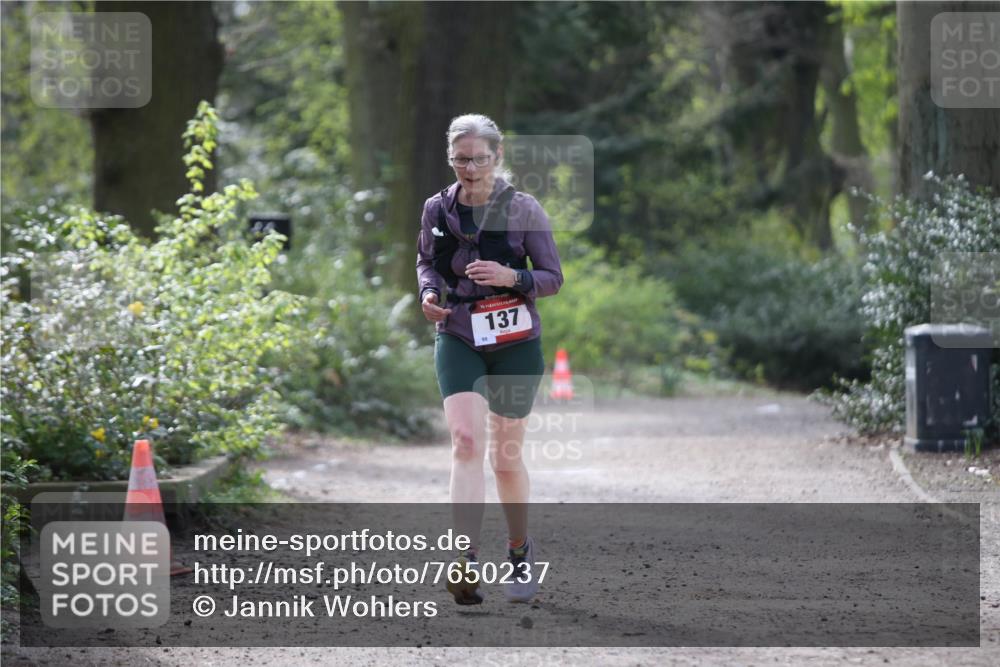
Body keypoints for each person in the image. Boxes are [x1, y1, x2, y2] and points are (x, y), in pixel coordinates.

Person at [416, 113, 563, 604]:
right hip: (458, 335)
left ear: (497, 157)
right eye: (461, 159)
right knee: (464, 441)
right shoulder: (436, 210)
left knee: (504, 458)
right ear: (450, 159)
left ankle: (519, 550)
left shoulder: (524, 210)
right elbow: (425, 263)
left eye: (479, 159)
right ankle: (464, 558)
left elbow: (551, 277)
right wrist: (429, 293)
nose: (470, 168)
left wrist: (512, 278)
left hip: (516, 344)